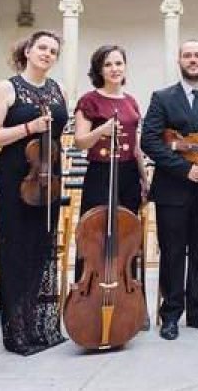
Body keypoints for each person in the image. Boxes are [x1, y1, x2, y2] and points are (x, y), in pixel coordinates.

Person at [0, 30, 68, 355]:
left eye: (53, 51)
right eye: (42, 48)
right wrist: (29, 128)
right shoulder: (8, 87)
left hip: (50, 176)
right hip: (17, 176)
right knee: (17, 249)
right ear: (28, 51)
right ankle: (16, 329)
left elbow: (60, 133)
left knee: (42, 248)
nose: (47, 54)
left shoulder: (56, 89)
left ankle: (39, 324)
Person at [140, 40, 198, 338]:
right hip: (172, 190)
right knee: (172, 252)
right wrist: (184, 168)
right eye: (187, 55)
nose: (193, 60)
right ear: (179, 60)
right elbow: (150, 141)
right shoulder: (162, 97)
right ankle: (170, 314)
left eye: (197, 55)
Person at [72, 45, 147, 278]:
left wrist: (144, 179)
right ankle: (89, 297)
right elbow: (80, 142)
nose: (114, 69)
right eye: (108, 64)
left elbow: (136, 146)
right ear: (99, 70)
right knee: (96, 236)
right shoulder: (89, 100)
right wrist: (101, 131)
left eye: (118, 63)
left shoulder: (131, 102)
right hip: (101, 173)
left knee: (127, 236)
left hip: (129, 173)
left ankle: (126, 299)